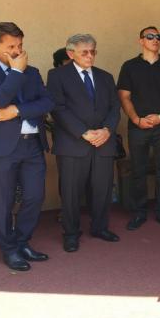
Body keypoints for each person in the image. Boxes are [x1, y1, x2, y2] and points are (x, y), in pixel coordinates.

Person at [0, 22, 54, 271]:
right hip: (0, 147)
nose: (17, 51)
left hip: (32, 144)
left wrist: (17, 110)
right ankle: (8, 249)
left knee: (35, 197)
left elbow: (47, 102)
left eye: (20, 45)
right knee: (3, 202)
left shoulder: (32, 71)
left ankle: (22, 242)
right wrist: (16, 72)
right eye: (11, 47)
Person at [47, 34, 121, 252]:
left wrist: (107, 130)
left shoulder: (105, 76)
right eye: (84, 52)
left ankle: (100, 227)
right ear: (71, 53)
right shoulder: (57, 75)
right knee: (70, 192)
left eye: (93, 51)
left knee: (102, 189)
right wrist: (83, 133)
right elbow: (57, 108)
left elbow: (115, 108)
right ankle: (71, 233)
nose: (90, 56)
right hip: (73, 143)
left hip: (103, 142)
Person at [117, 26, 160, 231]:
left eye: (158, 37)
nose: (155, 39)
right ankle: (139, 212)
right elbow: (124, 97)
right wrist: (136, 120)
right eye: (150, 36)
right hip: (138, 126)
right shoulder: (129, 66)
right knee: (138, 170)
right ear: (141, 41)